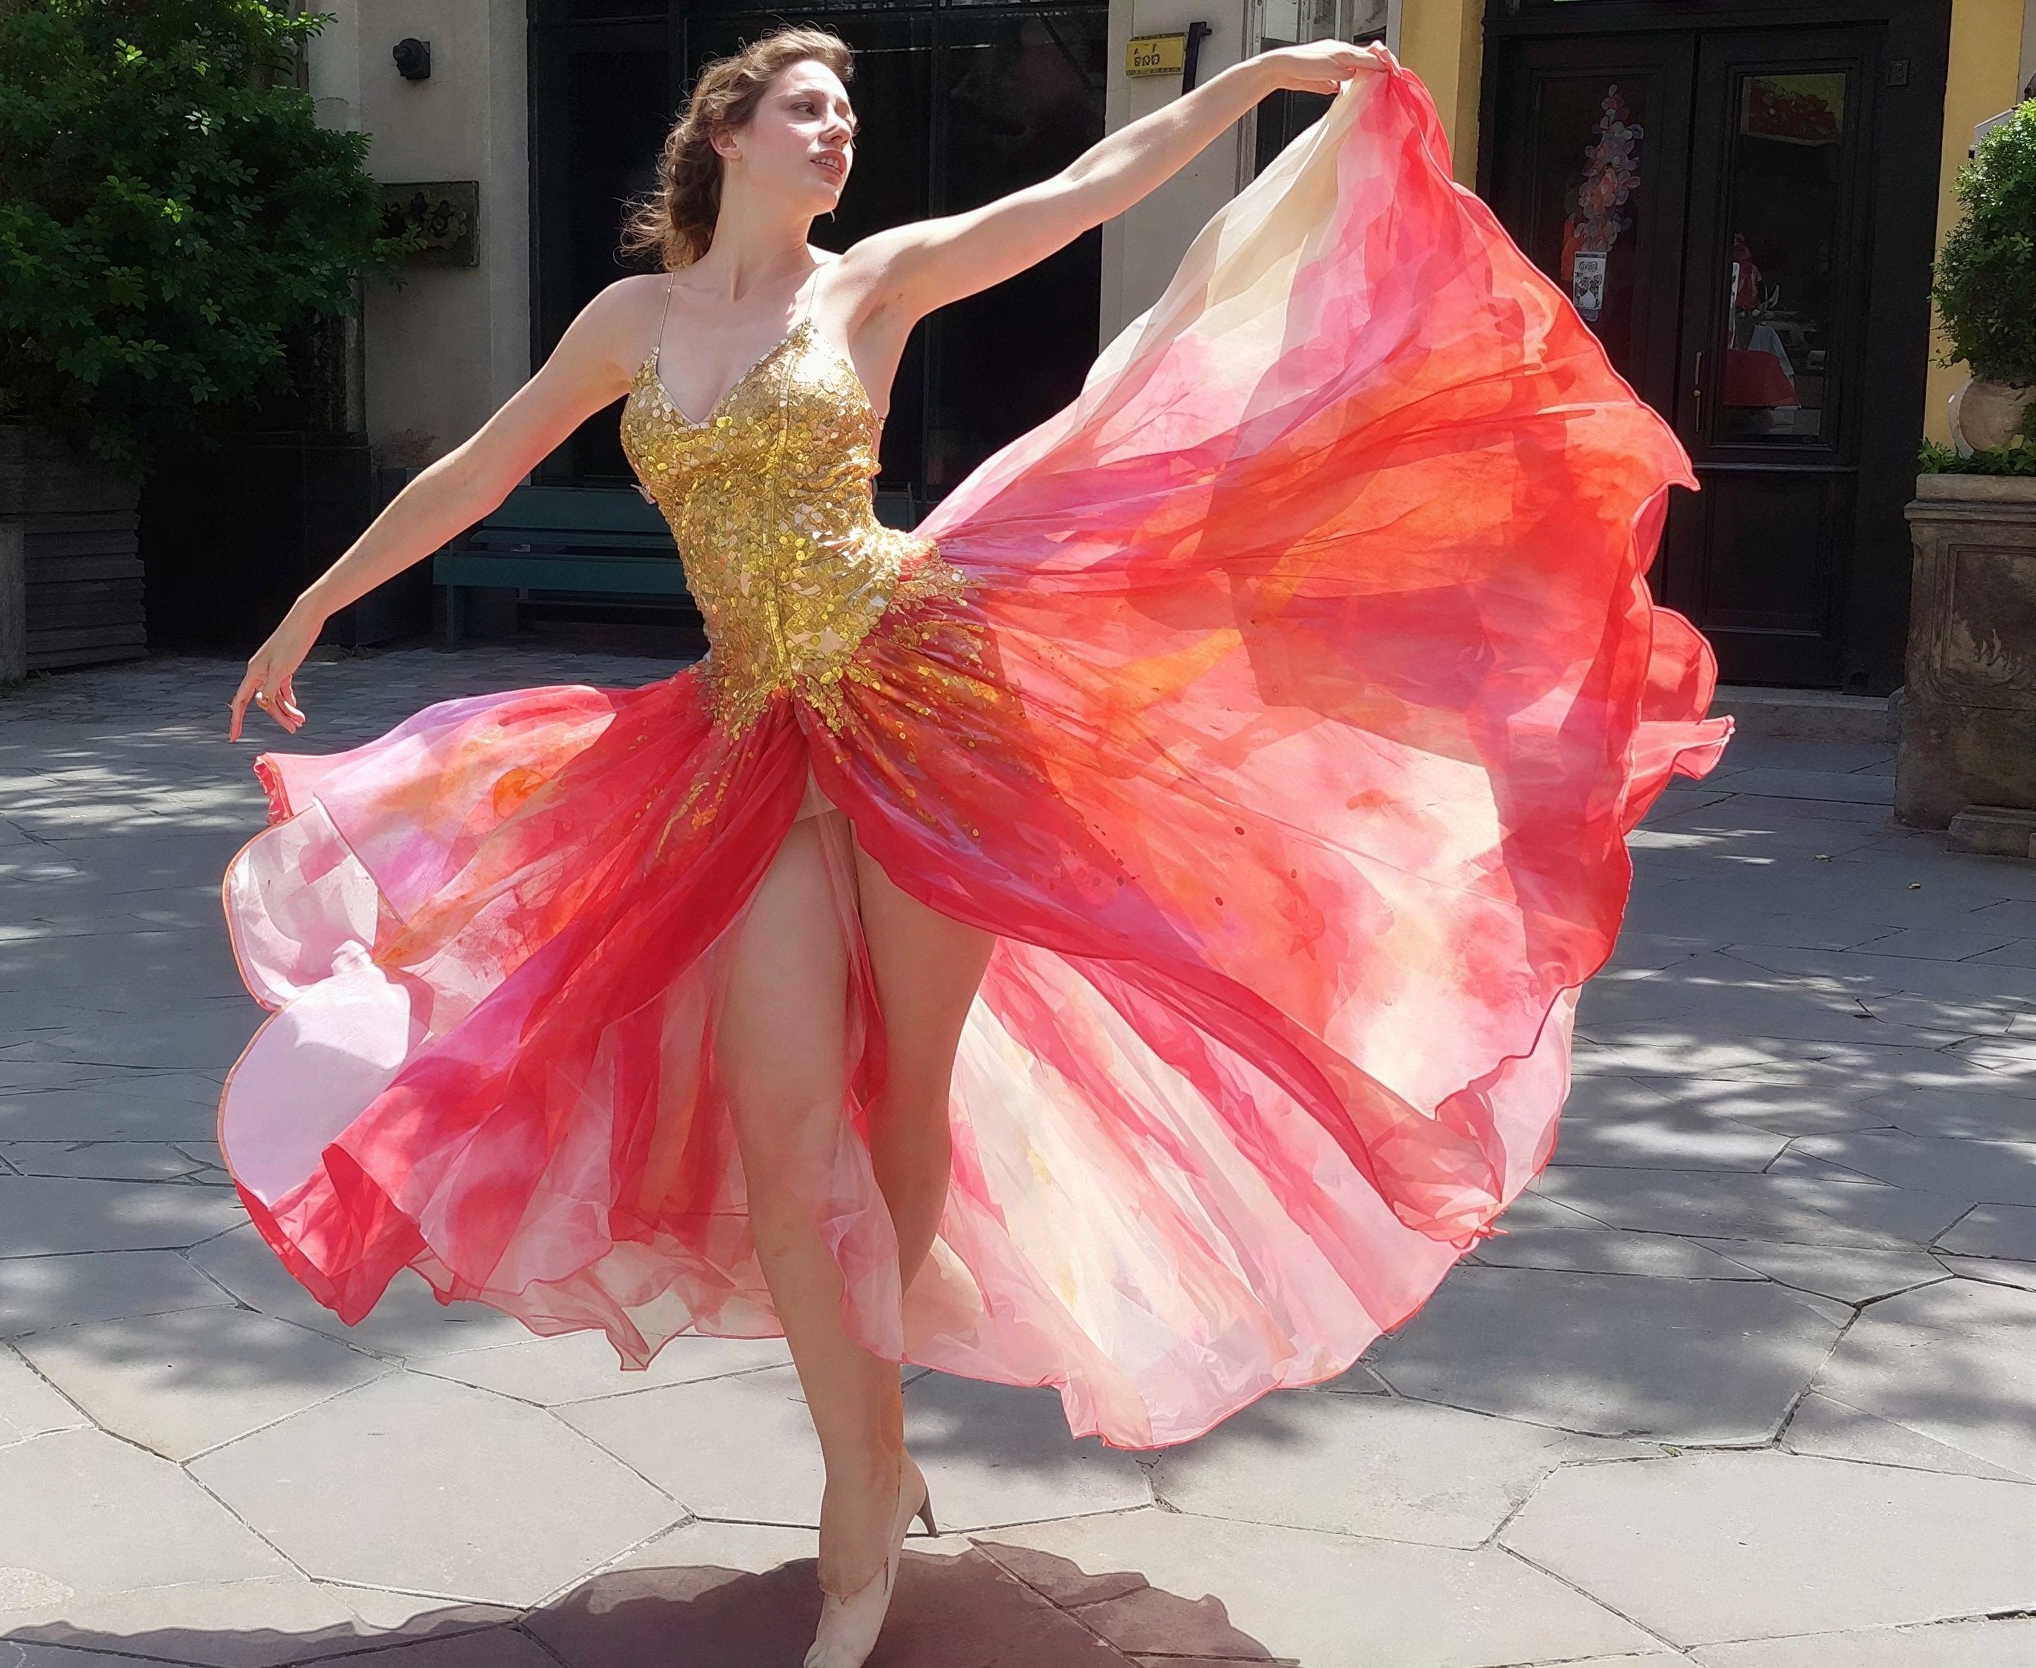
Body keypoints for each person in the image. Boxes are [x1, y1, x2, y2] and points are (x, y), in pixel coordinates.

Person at [219, 29, 1729, 1668]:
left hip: (923, 706)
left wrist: (1248, 83)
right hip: (740, 740)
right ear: (726, 131)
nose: (840, 131)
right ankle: (864, 1469)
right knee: (784, 1111)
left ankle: (867, 1460)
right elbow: (475, 463)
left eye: (850, 111)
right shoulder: (631, 324)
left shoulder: (868, 286)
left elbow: (1086, 192)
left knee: (903, 1096)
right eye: (810, 106)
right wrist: (314, 602)